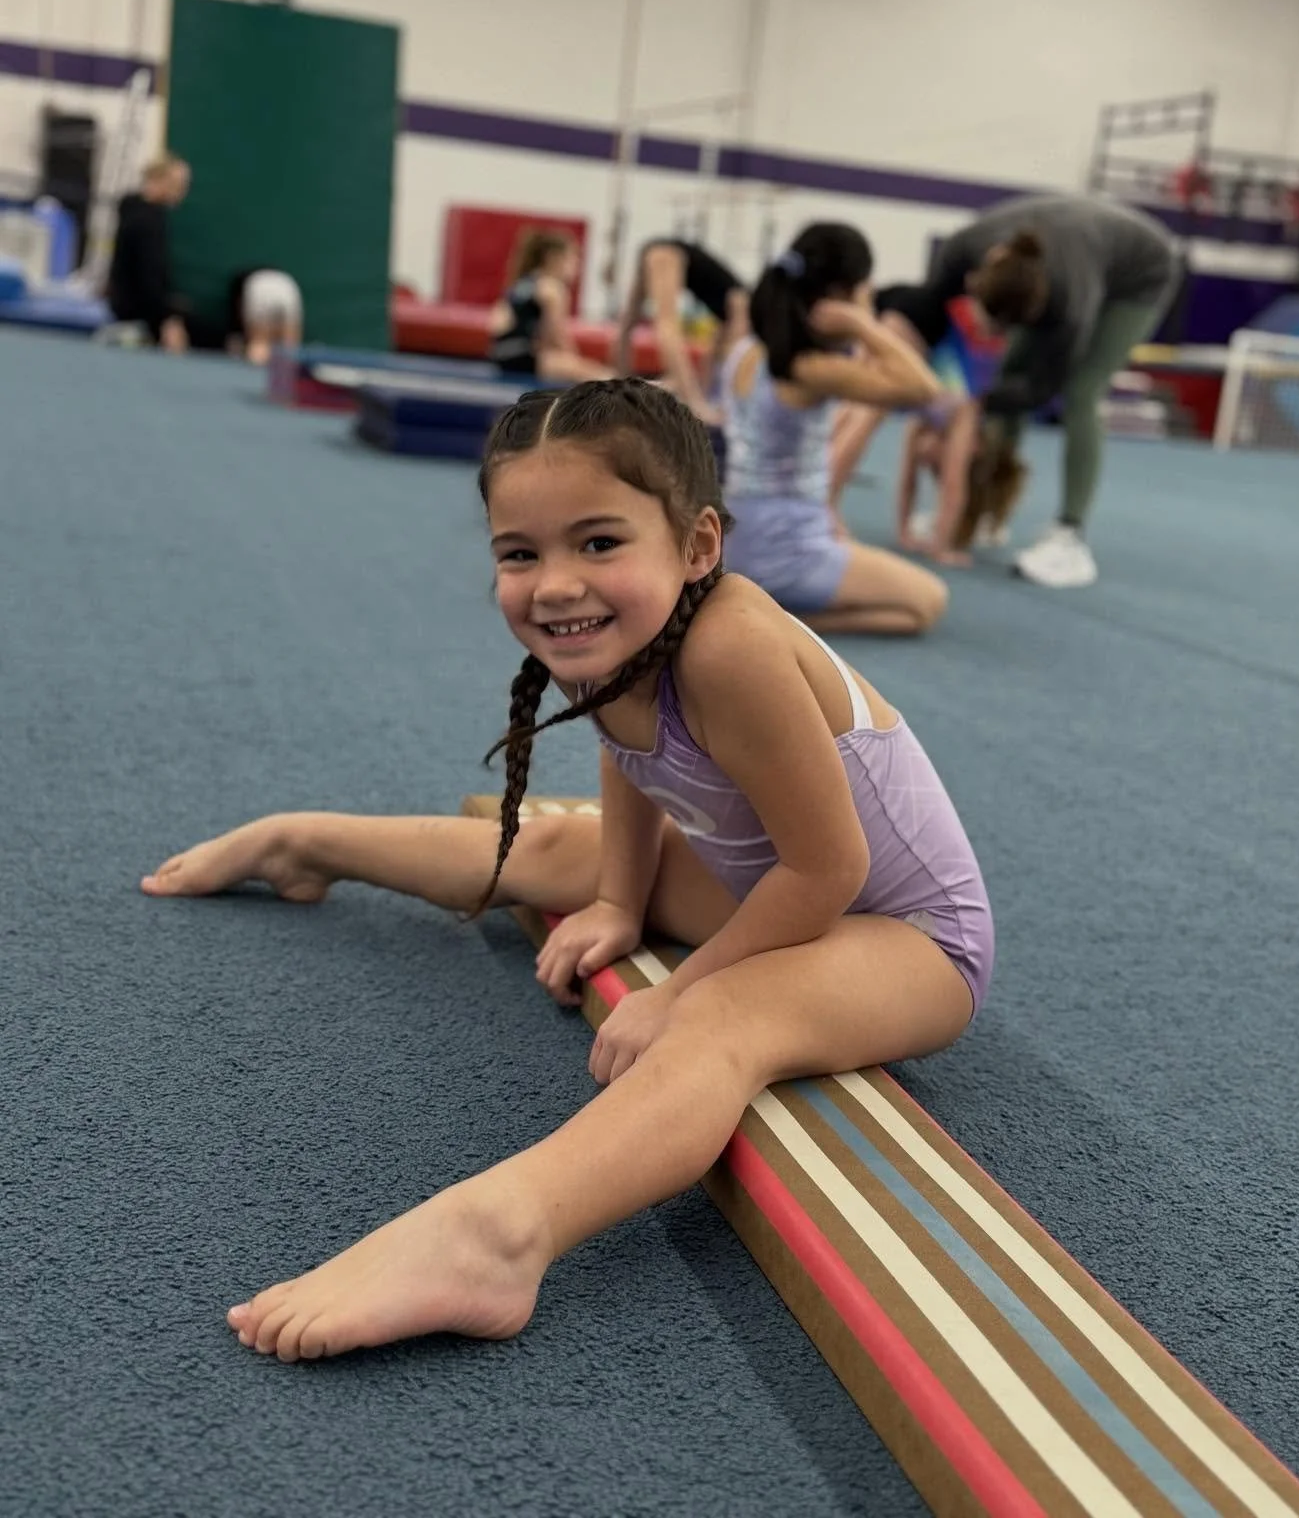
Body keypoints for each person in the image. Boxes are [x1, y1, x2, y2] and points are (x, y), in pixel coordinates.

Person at [139, 379, 992, 1363]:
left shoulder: (732, 650)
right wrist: (620, 900)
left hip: (911, 937)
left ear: (699, 546)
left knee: (724, 1020)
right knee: (551, 849)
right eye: (520, 553)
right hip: (764, 872)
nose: (554, 585)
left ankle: (501, 1235)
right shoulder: (615, 634)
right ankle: (304, 841)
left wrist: (685, 989)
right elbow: (634, 759)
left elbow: (831, 868)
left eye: (599, 543)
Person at [928, 195, 1183, 589]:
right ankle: (986, 511)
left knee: (1083, 392)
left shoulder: (1070, 303)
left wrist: (979, 401)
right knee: (1006, 370)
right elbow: (927, 313)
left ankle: (1069, 534)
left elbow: (1043, 389)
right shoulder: (963, 248)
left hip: (1141, 272)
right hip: (1074, 250)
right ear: (974, 280)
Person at [722, 225, 948, 633]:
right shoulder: (809, 369)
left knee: (904, 603)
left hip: (740, 533)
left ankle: (766, 608)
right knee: (928, 602)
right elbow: (925, 388)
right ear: (842, 296)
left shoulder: (748, 349)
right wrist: (864, 326)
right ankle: (775, 618)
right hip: (783, 547)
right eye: (865, 289)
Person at [829, 281, 980, 566]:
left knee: (852, 409)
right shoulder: (963, 415)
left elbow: (908, 480)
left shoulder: (925, 423)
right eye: (935, 463)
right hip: (916, 320)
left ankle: (818, 496)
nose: (924, 458)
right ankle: (825, 504)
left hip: (900, 311)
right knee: (865, 412)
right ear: (973, 448)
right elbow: (953, 485)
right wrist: (941, 548)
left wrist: (904, 532)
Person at [614, 236, 749, 420]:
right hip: (671, 253)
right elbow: (732, 359)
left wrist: (699, 389)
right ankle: (693, 403)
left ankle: (619, 382)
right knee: (667, 323)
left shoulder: (733, 312)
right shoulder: (744, 305)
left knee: (628, 321)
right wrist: (698, 402)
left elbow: (711, 355)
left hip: (660, 250)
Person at [488, 229, 614, 384]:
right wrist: (578, 364)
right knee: (607, 380)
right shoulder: (553, 289)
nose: (577, 266)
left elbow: (499, 324)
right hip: (525, 358)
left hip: (501, 356)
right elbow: (558, 338)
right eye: (574, 258)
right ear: (554, 259)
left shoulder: (523, 282)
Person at [106, 155, 191, 352]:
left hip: (128, 309)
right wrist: (167, 320)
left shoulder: (134, 212)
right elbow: (149, 275)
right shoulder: (148, 222)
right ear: (158, 181)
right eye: (177, 184)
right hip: (140, 317)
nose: (182, 191)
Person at [225, 268, 304, 366]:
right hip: (287, 284)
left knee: (260, 344)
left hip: (260, 285)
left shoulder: (254, 283)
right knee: (289, 349)